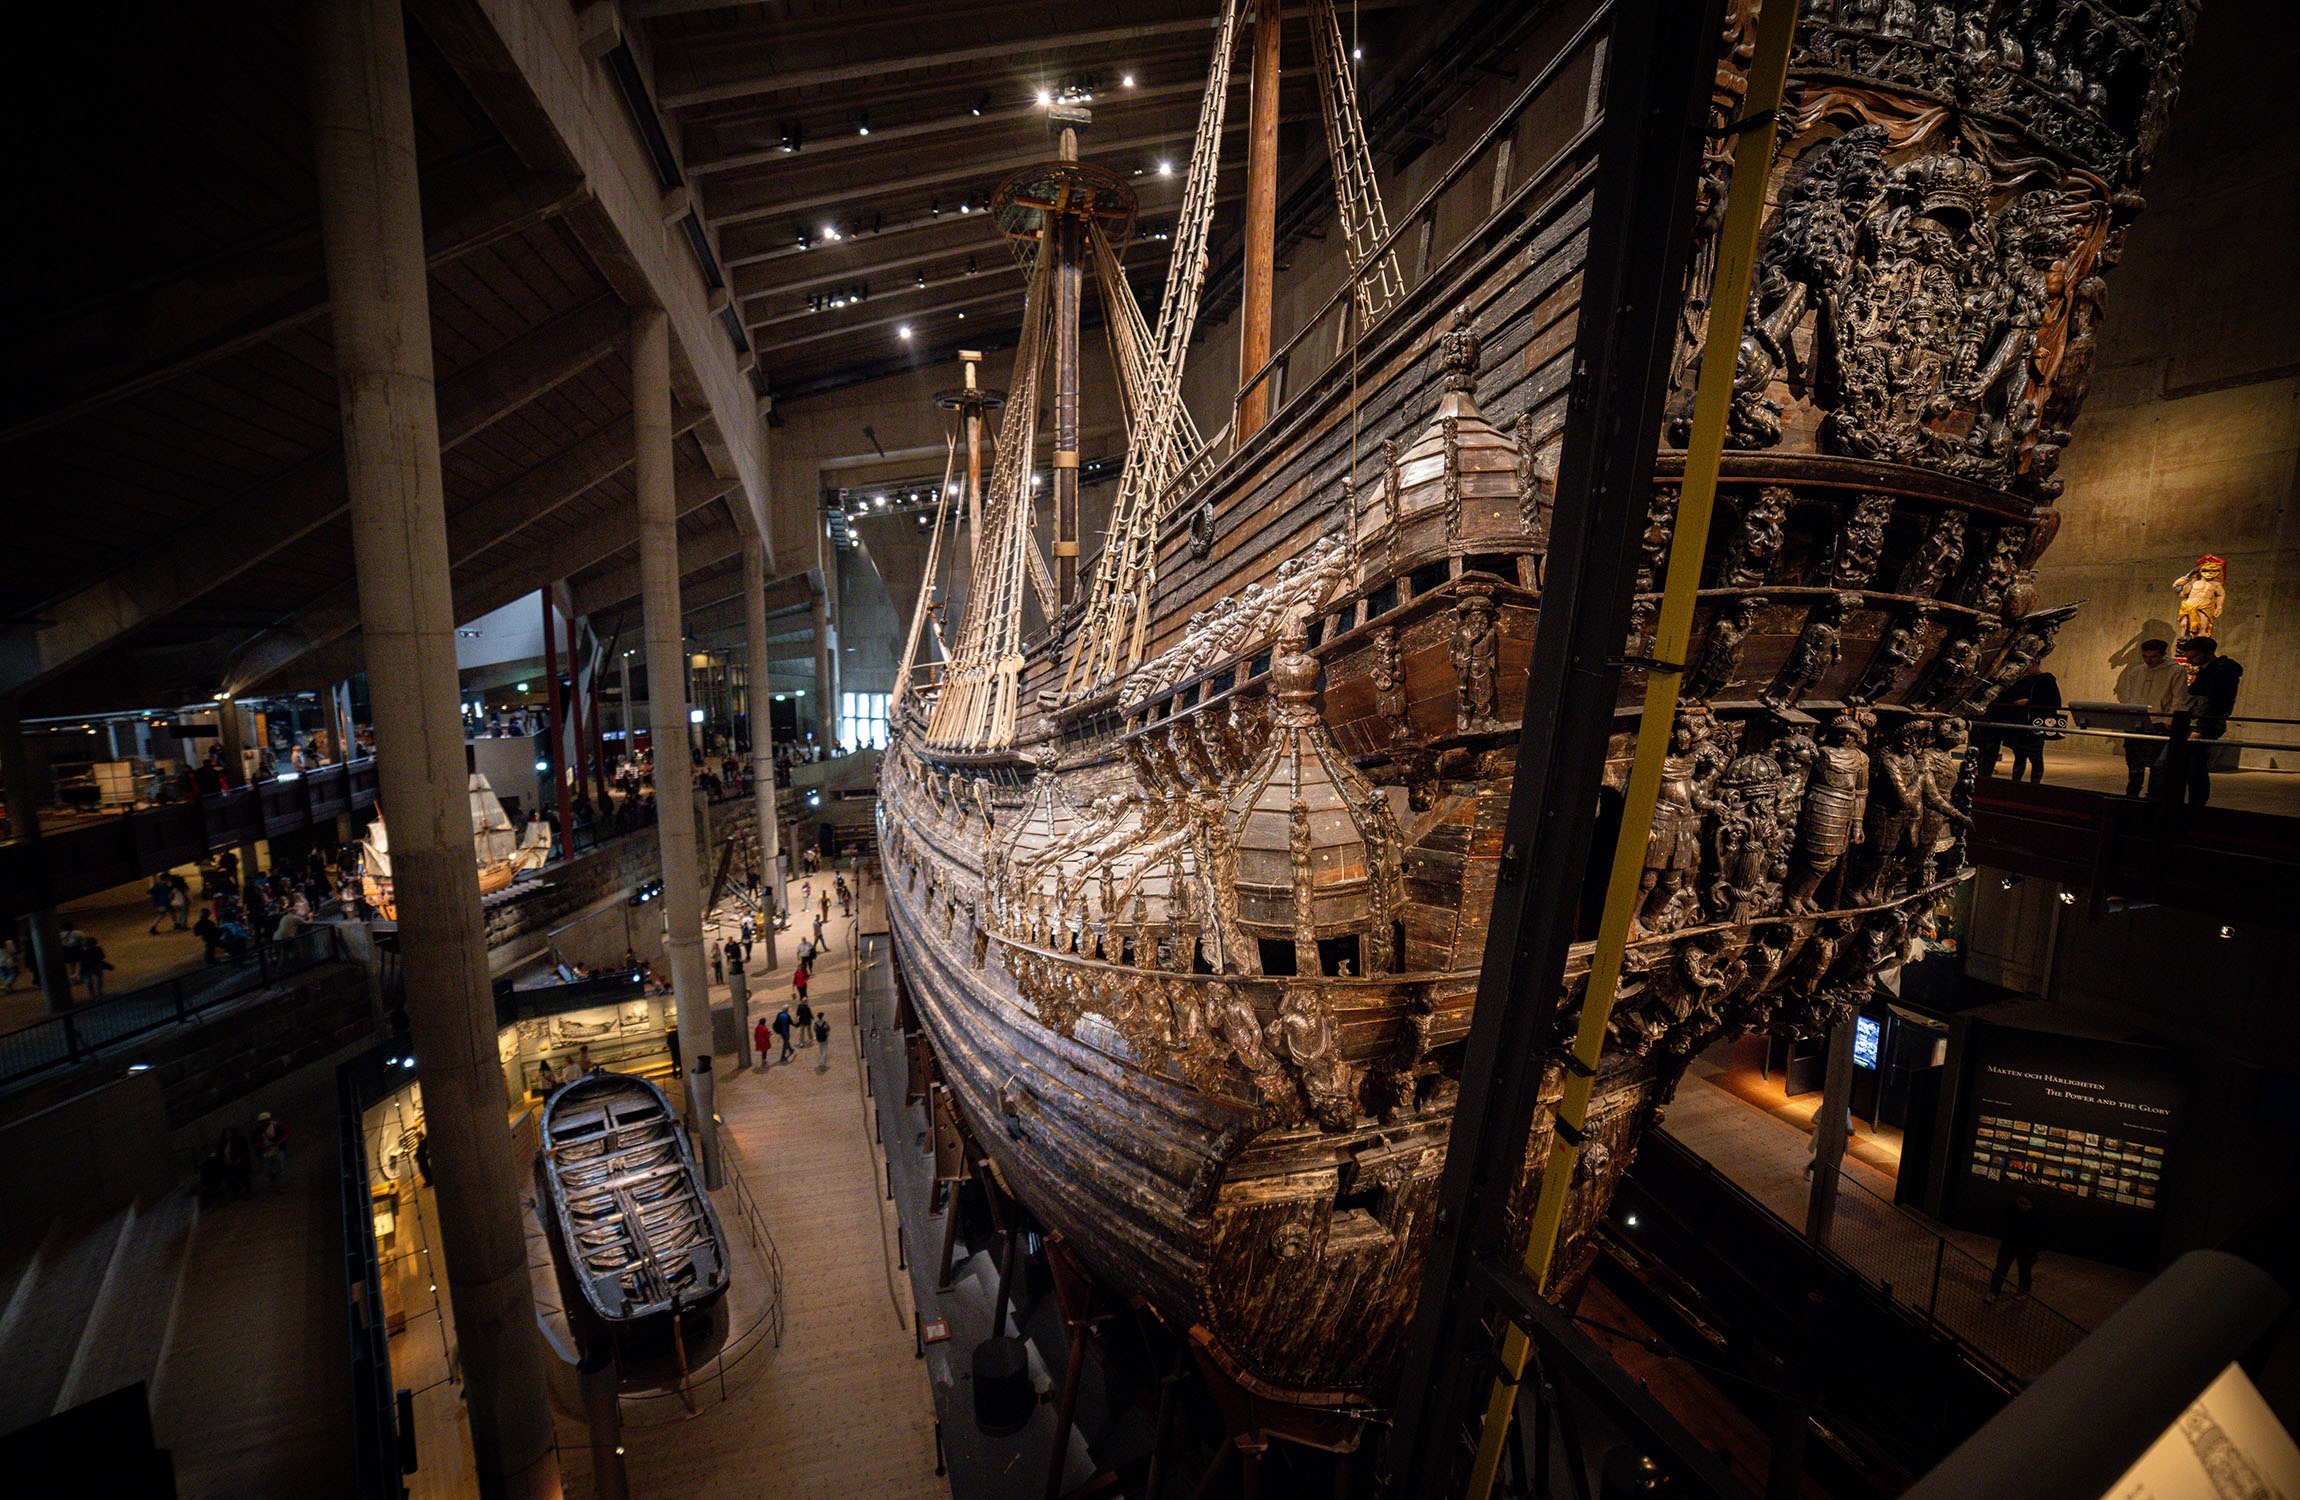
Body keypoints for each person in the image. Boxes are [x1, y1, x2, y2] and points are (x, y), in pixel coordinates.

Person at [2175, 636, 2244, 806]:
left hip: (2205, 723)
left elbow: (2217, 703)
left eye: (2193, 657)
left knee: (2195, 766)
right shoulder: (2208, 670)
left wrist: (2201, 728)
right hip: (2199, 721)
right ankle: (2192, 802)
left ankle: (2196, 803)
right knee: (2189, 765)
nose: (2189, 661)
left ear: (2208, 653)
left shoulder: (2221, 672)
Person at [1987, 1193, 2040, 1301]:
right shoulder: (2011, 1211)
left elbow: (2040, 1234)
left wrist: (2033, 1247)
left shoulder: (2035, 1217)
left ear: (2031, 1205)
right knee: (2000, 1269)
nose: (2022, 1205)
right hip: (2009, 1246)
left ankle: (2023, 1291)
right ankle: (1994, 1291)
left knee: (2024, 1272)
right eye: (2020, 1202)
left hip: (2025, 1250)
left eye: (2025, 1203)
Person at [254, 1111, 290, 1190]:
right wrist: (263, 1147)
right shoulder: (257, 1130)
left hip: (278, 1149)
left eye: (264, 1121)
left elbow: (287, 1133)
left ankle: (280, 1186)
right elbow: (255, 1142)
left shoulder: (277, 1125)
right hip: (265, 1152)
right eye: (261, 1122)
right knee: (267, 1170)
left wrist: (280, 1142)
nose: (263, 1123)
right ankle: (273, 1180)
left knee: (279, 1168)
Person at [216, 1125, 254, 1198]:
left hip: (240, 1163)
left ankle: (247, 1191)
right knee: (231, 1179)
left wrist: (240, 1159)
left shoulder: (240, 1140)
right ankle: (236, 1191)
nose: (228, 1135)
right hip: (229, 1164)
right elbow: (220, 1153)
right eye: (226, 1134)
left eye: (229, 1133)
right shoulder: (223, 1143)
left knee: (244, 1178)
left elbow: (245, 1151)